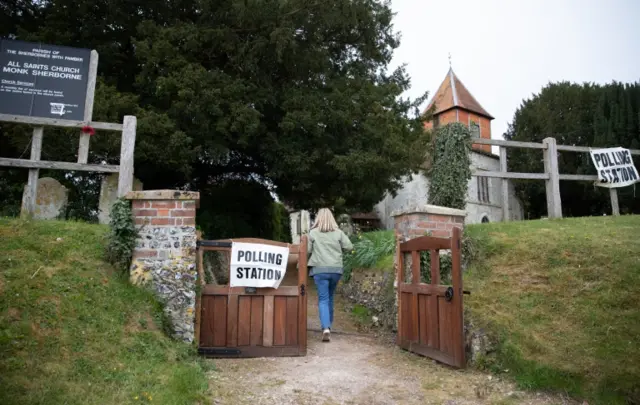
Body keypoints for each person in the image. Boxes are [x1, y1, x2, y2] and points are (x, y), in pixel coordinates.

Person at [306, 208, 353, 342]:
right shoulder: (338, 233)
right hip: (336, 270)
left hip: (320, 270)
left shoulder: (313, 233)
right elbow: (349, 246)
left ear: (318, 219)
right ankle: (329, 326)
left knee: (323, 299)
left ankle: (325, 327)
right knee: (330, 298)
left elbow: (307, 250)